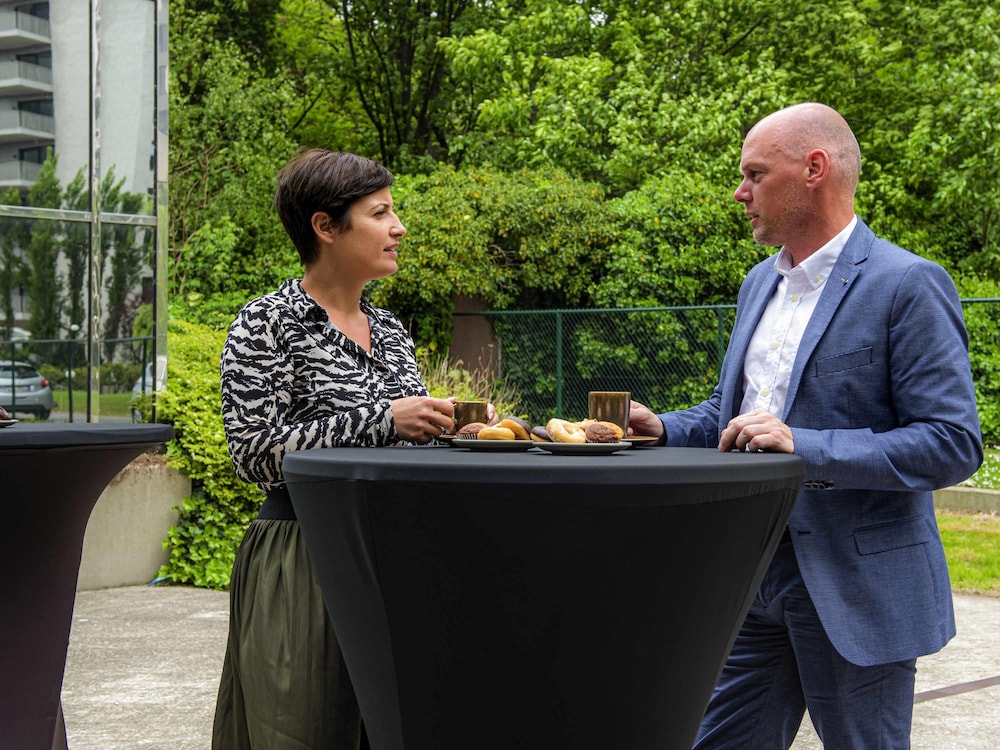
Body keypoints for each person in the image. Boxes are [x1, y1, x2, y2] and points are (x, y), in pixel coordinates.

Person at [628, 103, 982, 748]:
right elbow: (732, 411)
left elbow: (950, 442)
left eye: (755, 174)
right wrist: (664, 428)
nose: (740, 193)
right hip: (752, 571)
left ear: (814, 169)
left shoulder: (908, 284)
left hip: (854, 586)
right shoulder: (758, 284)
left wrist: (804, 446)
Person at [212, 149, 484, 749]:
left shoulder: (390, 331)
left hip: (399, 554)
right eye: (380, 213)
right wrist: (382, 420)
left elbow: (403, 440)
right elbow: (253, 453)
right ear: (326, 227)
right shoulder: (266, 324)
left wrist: (454, 428)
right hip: (305, 558)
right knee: (303, 728)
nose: (399, 228)